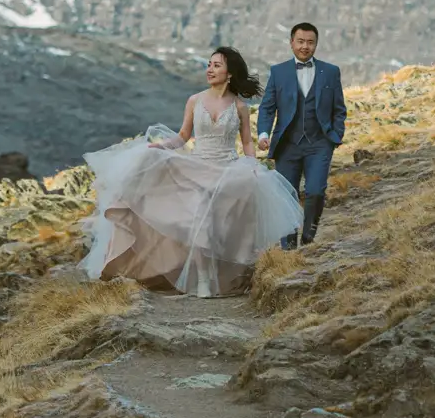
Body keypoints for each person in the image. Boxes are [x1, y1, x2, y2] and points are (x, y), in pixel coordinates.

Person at [81, 46, 303, 296]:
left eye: (216, 65)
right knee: (200, 220)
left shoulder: (239, 106)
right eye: (209, 64)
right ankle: (204, 279)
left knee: (221, 224)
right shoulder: (195, 100)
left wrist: (252, 164)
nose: (210, 69)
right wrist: (163, 147)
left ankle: (222, 273)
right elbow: (183, 136)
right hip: (197, 167)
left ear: (230, 73)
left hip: (228, 169)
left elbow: (247, 142)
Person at [256, 22, 347, 246]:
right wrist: (263, 133)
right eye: (300, 41)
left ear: (316, 44)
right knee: (286, 196)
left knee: (316, 191)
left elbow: (339, 109)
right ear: (291, 43)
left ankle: (308, 239)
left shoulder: (331, 72)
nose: (305, 46)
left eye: (310, 42)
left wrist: (335, 137)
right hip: (287, 145)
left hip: (320, 143)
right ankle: (288, 248)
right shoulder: (278, 72)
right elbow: (267, 107)